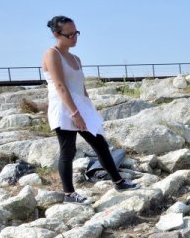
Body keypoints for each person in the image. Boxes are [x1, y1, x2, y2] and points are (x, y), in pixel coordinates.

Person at [43, 16, 139, 204]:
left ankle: (119, 182)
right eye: (69, 34)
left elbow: (81, 86)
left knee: (101, 144)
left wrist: (88, 110)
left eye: (76, 33)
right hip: (63, 107)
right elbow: (60, 86)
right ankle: (69, 194)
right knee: (68, 150)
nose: (74, 38)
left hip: (81, 106)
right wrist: (75, 114)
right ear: (56, 34)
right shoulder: (52, 54)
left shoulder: (75, 58)